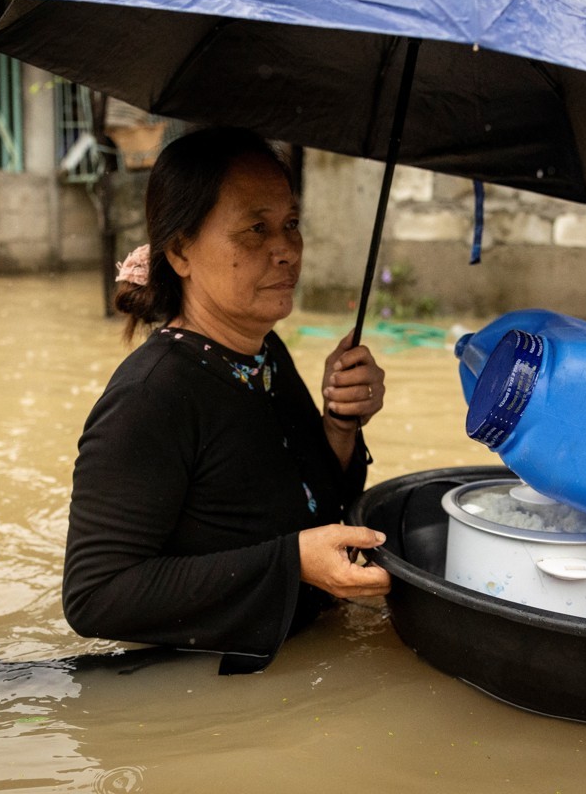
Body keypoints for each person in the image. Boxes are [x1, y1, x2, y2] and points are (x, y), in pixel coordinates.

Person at [63, 126, 391, 674]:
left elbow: (312, 502)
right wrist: (292, 565)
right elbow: (95, 597)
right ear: (181, 251)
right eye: (254, 230)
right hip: (206, 690)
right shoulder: (152, 396)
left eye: (290, 225)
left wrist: (340, 424)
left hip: (296, 668)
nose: (285, 250)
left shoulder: (264, 353)